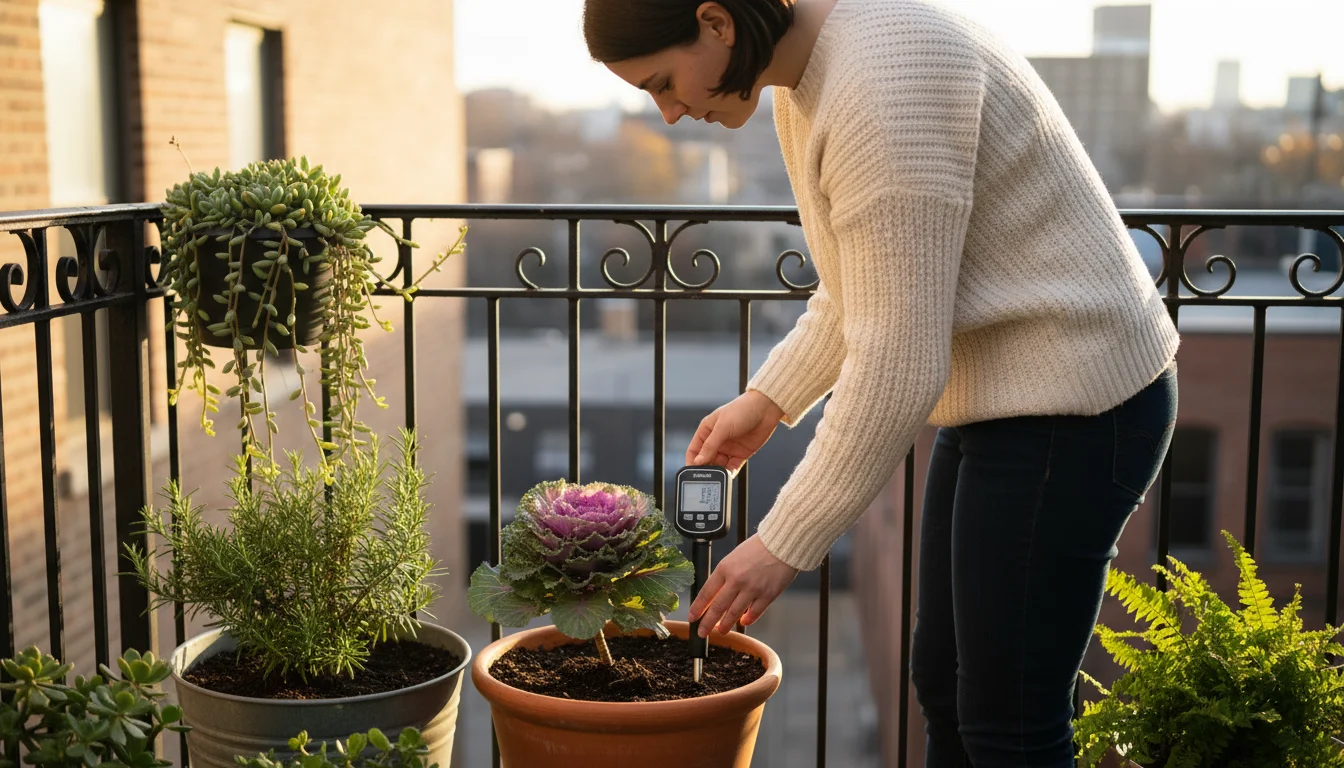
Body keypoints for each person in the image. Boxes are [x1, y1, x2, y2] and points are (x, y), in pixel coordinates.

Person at [582, 0, 1179, 765]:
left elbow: (898, 360)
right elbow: (857, 290)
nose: (668, 113)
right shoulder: (813, 81)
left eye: (664, 82)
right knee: (946, 683)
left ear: (717, 21)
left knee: (1010, 720)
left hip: (1078, 403)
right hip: (1007, 396)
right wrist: (769, 400)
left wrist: (784, 539)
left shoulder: (881, 84)